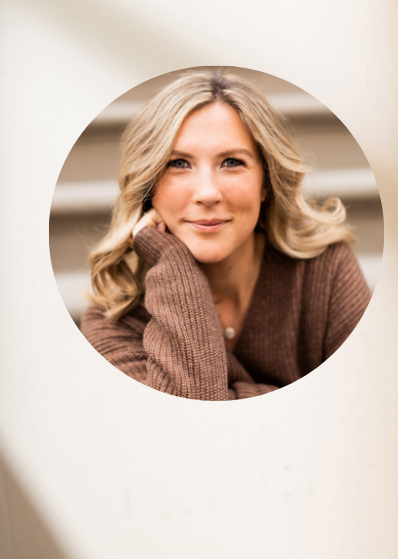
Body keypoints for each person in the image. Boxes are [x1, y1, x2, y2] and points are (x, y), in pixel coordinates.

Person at [80, 70, 370, 399]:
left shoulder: (326, 272)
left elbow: (367, 403)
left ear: (266, 182)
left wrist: (229, 396)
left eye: (231, 162)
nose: (207, 193)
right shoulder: (113, 317)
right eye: (179, 163)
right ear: (148, 186)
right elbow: (182, 421)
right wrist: (174, 266)